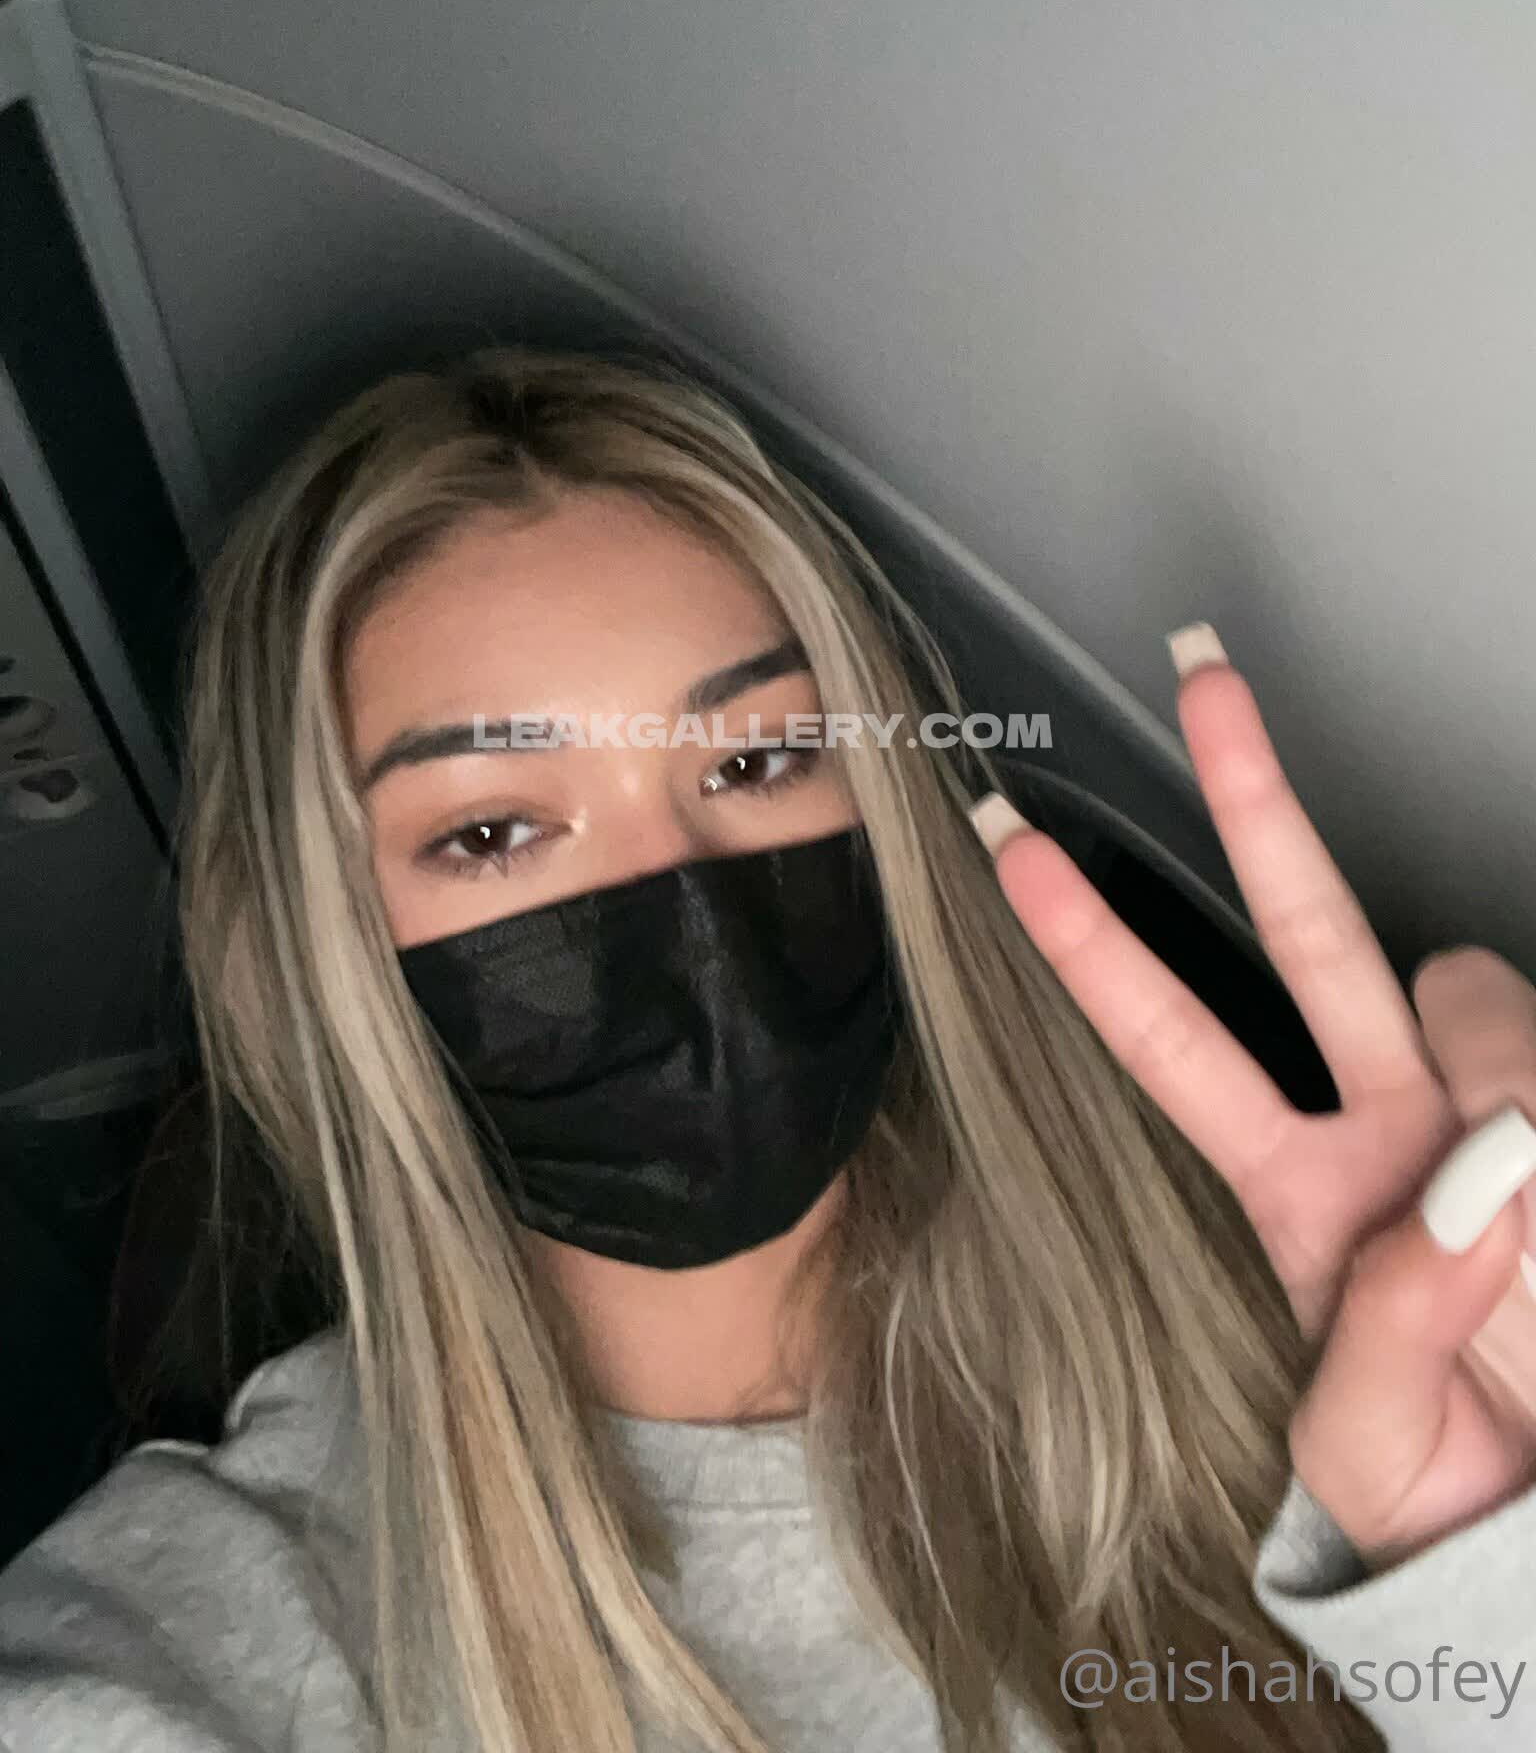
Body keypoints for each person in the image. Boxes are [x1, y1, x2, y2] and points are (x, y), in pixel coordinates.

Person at [0, 345, 1531, 1753]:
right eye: (492, 832)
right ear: (322, 952)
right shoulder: (224, 1624)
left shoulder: (1285, 1335)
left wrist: (1492, 1592)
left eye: (760, 758)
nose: (691, 919)